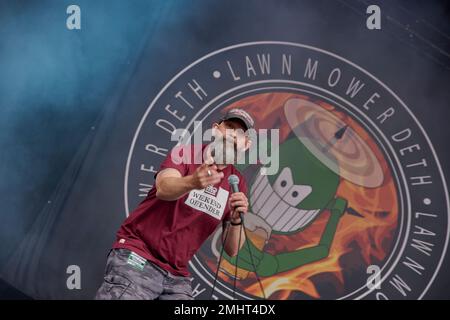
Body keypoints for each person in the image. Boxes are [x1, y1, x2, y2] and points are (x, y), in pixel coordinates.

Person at [95, 108, 255, 300]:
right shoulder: (184, 154)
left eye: (240, 133)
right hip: (139, 255)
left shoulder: (237, 182)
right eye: (229, 127)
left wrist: (236, 220)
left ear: (247, 144)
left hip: (176, 276)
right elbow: (163, 188)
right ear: (215, 129)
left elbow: (232, 250)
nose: (232, 136)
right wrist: (193, 182)